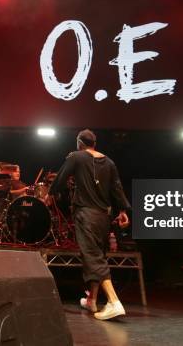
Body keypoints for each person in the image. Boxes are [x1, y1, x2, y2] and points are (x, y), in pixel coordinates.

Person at [48, 129, 130, 320]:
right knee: (96, 256)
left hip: (86, 215)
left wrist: (50, 194)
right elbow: (117, 188)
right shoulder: (109, 162)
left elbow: (60, 179)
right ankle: (92, 300)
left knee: (93, 257)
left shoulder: (76, 156)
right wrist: (123, 211)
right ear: (95, 143)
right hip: (104, 217)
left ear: (79, 143)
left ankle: (113, 301)